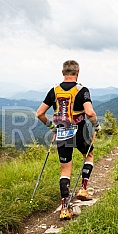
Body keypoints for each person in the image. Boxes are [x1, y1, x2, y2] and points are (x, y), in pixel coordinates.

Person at [36, 60, 101, 220]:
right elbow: (90, 113)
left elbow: (39, 114)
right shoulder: (82, 90)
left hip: (62, 133)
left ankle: (65, 208)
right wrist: (97, 126)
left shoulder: (54, 91)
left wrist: (52, 127)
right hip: (79, 131)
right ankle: (83, 189)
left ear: (63, 73)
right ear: (77, 73)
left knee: (65, 170)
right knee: (89, 155)